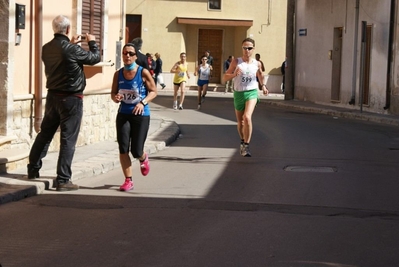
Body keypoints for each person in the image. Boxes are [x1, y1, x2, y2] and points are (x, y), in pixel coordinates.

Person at [26, 15, 101, 191]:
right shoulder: (71, 49)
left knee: (45, 134)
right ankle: (63, 179)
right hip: (71, 98)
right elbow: (94, 58)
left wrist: (72, 44)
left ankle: (33, 169)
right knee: (68, 139)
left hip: (52, 96)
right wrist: (92, 42)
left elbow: (65, 58)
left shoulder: (46, 48)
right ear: (67, 30)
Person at [111, 43, 157, 191]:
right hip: (124, 113)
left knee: (136, 151)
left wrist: (142, 103)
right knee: (123, 148)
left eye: (131, 53)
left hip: (141, 115)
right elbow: (113, 93)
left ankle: (143, 158)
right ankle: (128, 180)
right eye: (125, 53)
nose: (127, 56)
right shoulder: (118, 74)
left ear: (136, 56)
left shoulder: (143, 72)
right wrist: (116, 97)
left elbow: (154, 91)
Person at [223, 38, 269, 157]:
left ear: (253, 49)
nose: (246, 50)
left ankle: (246, 145)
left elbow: (260, 74)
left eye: (249, 48)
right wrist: (234, 74)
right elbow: (225, 78)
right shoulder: (236, 62)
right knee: (240, 122)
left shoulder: (256, 63)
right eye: (244, 48)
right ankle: (243, 142)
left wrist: (263, 86)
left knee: (247, 117)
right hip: (239, 93)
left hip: (252, 92)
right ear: (242, 48)